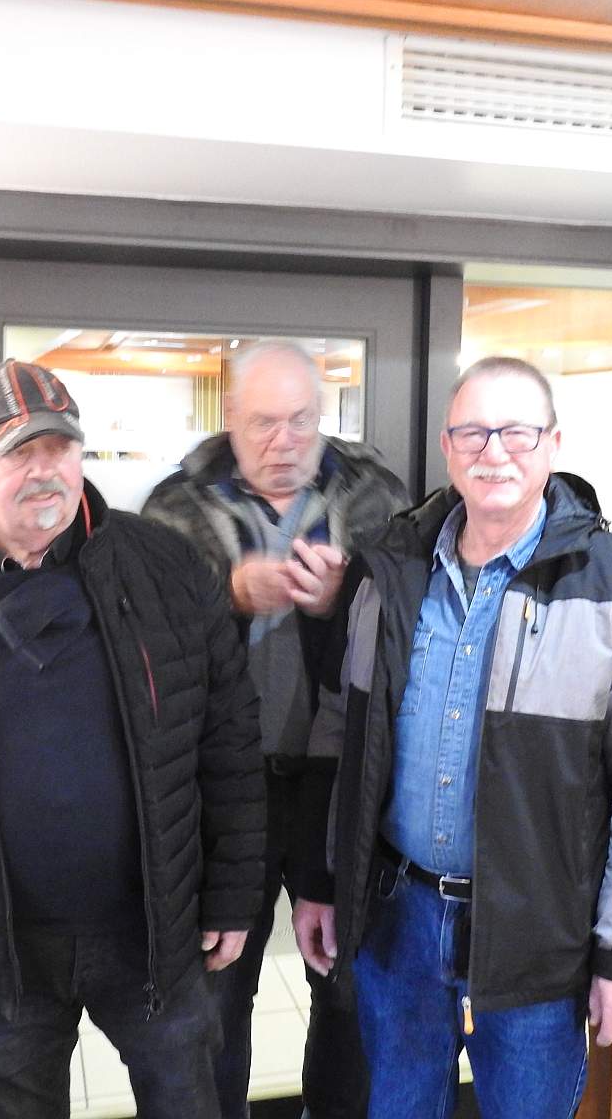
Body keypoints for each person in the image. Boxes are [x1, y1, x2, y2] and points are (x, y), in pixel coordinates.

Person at [0, 358, 265, 1119]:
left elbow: (228, 739)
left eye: (60, 446)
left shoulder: (167, 568)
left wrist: (235, 892)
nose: (45, 471)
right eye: (17, 451)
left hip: (157, 933)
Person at [293, 356, 612, 1119]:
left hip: (536, 930)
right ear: (448, 447)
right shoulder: (391, 570)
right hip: (398, 920)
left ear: (554, 444)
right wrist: (322, 879)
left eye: (517, 432)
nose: (495, 451)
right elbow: (341, 731)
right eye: (474, 432)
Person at [143, 341, 408, 1118]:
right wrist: (225, 594)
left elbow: (416, 629)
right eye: (264, 422)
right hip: (220, 793)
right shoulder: (176, 507)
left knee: (348, 991)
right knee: (217, 998)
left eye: (301, 421)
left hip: (342, 784)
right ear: (230, 416)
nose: (285, 442)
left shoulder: (378, 498)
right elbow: (141, 648)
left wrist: (343, 602)